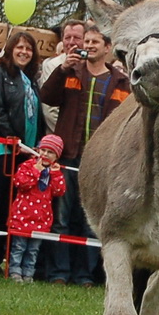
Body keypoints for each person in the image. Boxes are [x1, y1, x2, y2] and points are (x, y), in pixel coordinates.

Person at [39, 26, 130, 286]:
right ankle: (59, 273)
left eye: (94, 42)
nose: (88, 45)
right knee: (62, 218)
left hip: (101, 163)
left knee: (91, 221)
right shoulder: (71, 72)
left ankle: (85, 275)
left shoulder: (121, 82)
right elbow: (47, 96)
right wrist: (62, 69)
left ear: (107, 48)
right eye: (86, 41)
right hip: (69, 157)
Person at [0, 29, 43, 261]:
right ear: (10, 49)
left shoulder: (31, 80)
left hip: (24, 152)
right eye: (19, 47)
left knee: (13, 207)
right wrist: (11, 137)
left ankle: (4, 257)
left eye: (28, 48)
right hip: (2, 150)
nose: (24, 52)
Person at [8, 134, 65, 281]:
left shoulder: (54, 171)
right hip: (22, 216)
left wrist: (56, 174)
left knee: (33, 250)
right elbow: (20, 183)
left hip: (41, 219)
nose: (45, 154)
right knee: (18, 247)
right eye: (43, 150)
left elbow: (59, 191)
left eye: (50, 152)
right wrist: (36, 171)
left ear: (57, 156)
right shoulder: (28, 166)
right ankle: (14, 271)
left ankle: (28, 274)